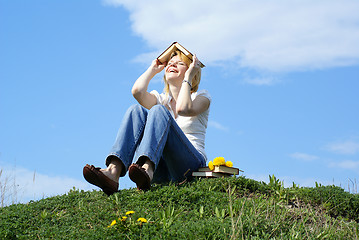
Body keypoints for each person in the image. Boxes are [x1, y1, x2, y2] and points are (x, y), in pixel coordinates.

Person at [83, 49, 211, 195]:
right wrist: (152, 69)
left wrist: (189, 76)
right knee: (135, 110)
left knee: (158, 110)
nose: (172, 65)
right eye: (169, 63)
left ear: (192, 71)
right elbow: (137, 92)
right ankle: (114, 171)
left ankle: (147, 168)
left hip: (189, 166)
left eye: (180, 63)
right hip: (161, 169)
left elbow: (183, 108)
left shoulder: (202, 97)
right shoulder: (161, 99)